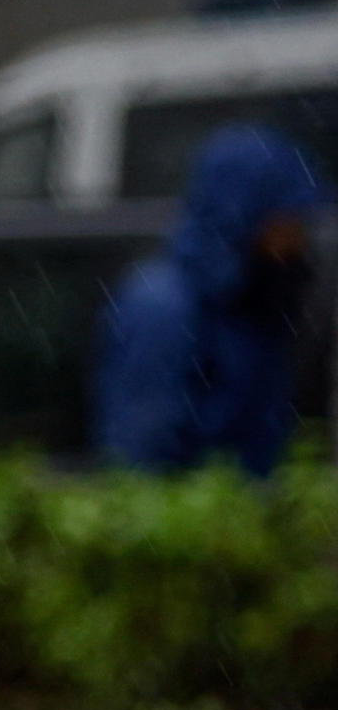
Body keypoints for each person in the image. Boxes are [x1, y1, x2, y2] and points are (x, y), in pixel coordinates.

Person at [94, 122, 324, 475]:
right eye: (287, 224)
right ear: (247, 216)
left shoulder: (257, 303)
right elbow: (139, 459)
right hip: (190, 524)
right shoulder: (162, 309)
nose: (298, 241)